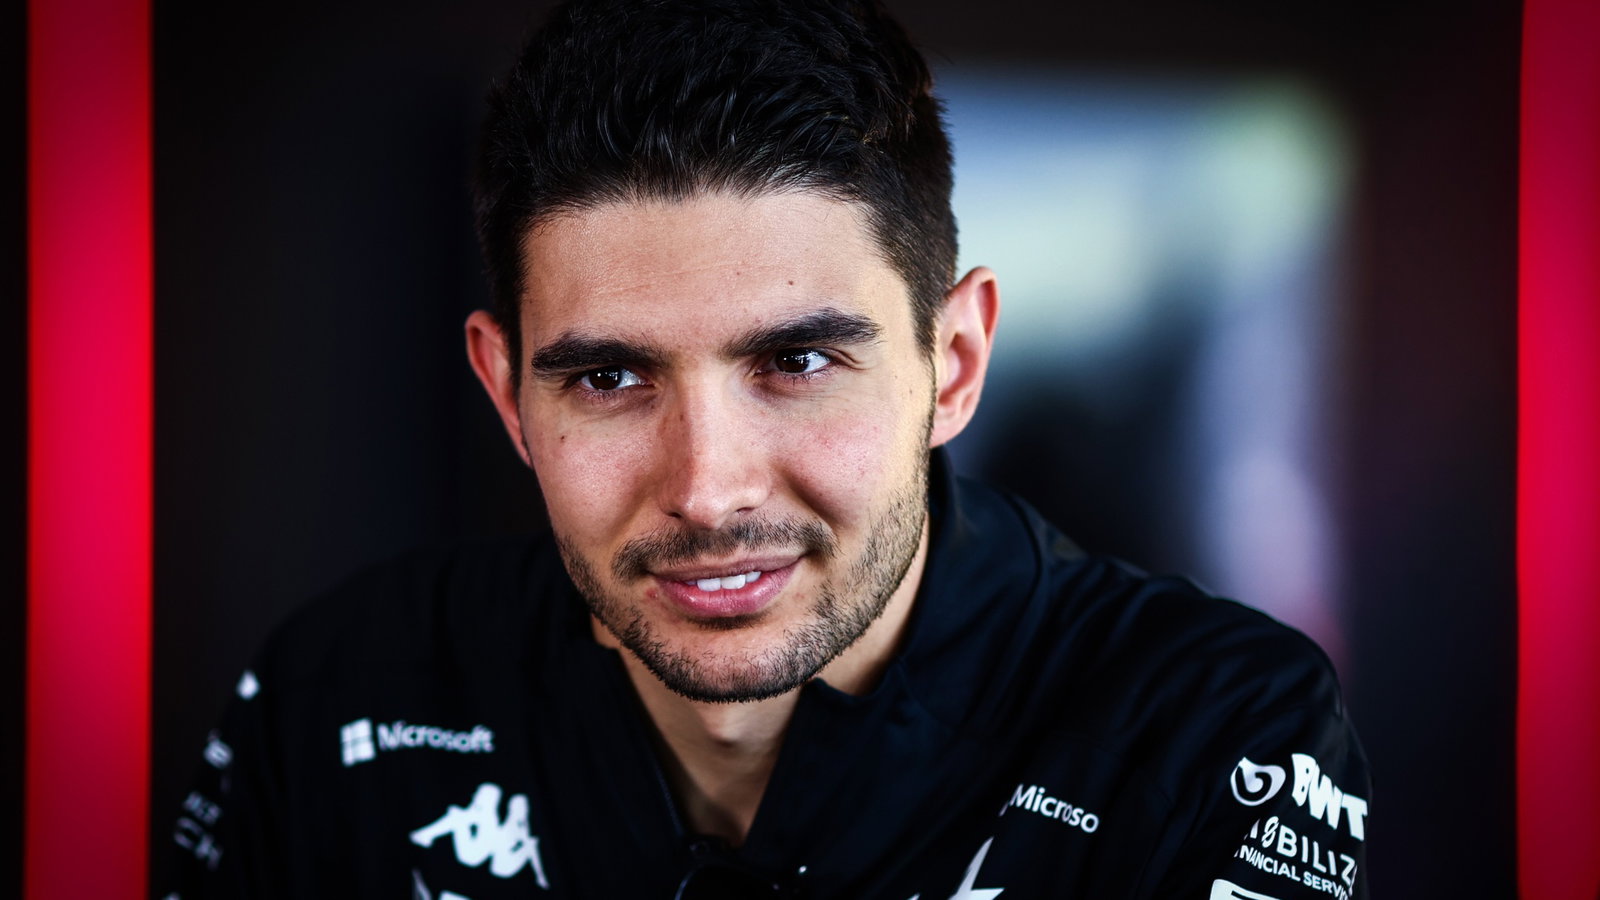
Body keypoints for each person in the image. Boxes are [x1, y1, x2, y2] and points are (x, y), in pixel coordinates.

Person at [164, 0, 1370, 897]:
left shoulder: (1208, 738)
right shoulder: (338, 701)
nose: (707, 486)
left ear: (950, 363)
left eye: (795, 364)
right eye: (609, 376)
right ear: (505, 394)